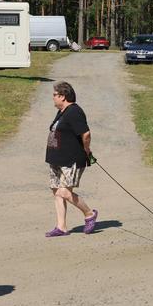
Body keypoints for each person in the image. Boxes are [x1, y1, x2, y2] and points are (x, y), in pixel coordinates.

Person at [45, 81, 98, 237]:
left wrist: (86, 149)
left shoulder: (74, 111)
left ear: (63, 96)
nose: (53, 98)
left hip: (71, 159)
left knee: (65, 192)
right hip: (57, 159)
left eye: (55, 95)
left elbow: (86, 133)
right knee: (57, 191)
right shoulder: (62, 111)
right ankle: (61, 227)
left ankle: (89, 214)